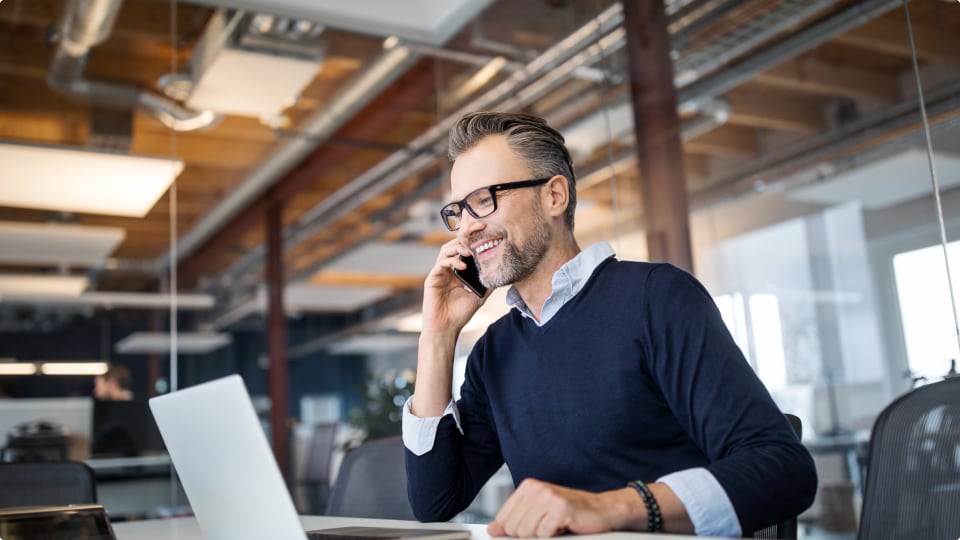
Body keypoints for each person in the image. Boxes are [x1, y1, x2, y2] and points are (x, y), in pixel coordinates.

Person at [402, 111, 817, 537]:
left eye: (485, 199)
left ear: (554, 196)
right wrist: (437, 335)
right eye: (457, 211)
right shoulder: (495, 351)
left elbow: (783, 469)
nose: (468, 227)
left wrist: (613, 508)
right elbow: (436, 501)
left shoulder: (656, 298)